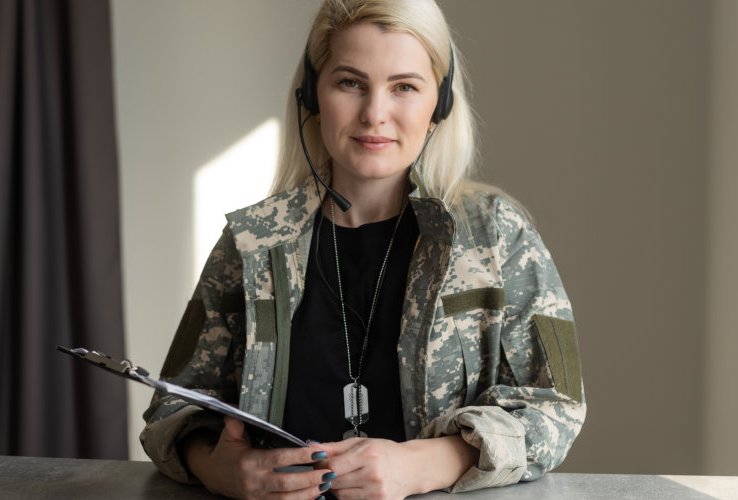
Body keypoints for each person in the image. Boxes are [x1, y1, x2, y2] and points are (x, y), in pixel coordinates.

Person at [141, 1, 584, 498]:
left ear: (438, 104)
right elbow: (172, 409)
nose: (375, 113)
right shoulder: (253, 242)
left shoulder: (498, 238)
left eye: (404, 87)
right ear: (312, 95)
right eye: (350, 82)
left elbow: (556, 407)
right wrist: (220, 469)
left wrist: (426, 463)